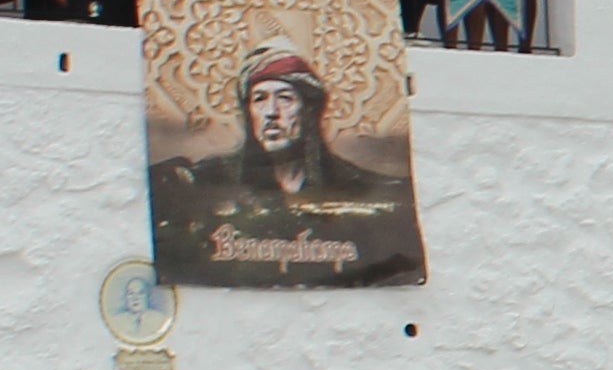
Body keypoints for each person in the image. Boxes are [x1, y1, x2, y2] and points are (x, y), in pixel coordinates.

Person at [145, 44, 425, 286]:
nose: (271, 113)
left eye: (285, 98)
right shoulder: (205, 180)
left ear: (309, 109)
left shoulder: (355, 185)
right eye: (260, 99)